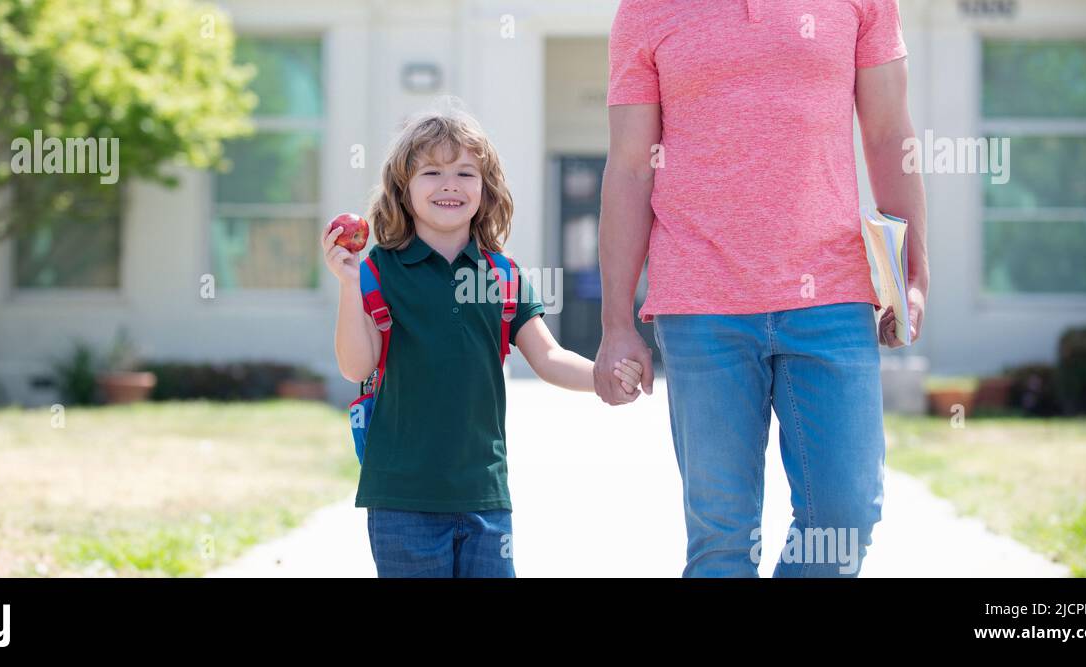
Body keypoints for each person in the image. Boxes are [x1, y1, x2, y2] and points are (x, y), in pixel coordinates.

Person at [596, 0, 929, 577]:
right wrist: (616, 325)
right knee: (722, 541)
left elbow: (887, 131)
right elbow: (630, 165)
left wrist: (913, 277)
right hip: (701, 305)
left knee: (845, 521)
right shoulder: (645, 10)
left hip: (833, 292)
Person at [323, 106, 645, 577]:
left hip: (486, 497)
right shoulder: (377, 271)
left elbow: (549, 356)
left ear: (485, 187)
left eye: (465, 172)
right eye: (431, 171)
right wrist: (348, 285)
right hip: (400, 497)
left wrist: (604, 376)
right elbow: (356, 367)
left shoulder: (502, 273)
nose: (449, 183)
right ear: (403, 189)